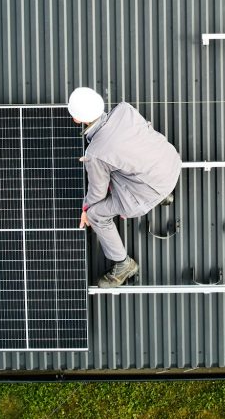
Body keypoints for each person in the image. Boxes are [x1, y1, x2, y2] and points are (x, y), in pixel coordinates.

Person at [69, 87, 182, 288]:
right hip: (171, 164)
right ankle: (163, 194)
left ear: (76, 119)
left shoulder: (96, 153)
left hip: (150, 189)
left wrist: (86, 210)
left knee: (97, 214)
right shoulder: (124, 109)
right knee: (117, 165)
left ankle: (123, 264)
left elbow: (97, 192)